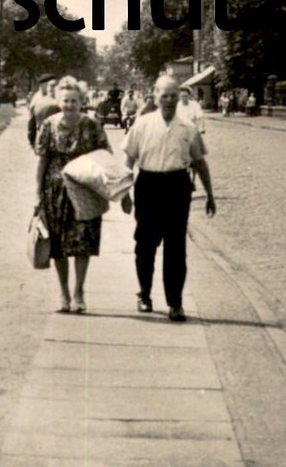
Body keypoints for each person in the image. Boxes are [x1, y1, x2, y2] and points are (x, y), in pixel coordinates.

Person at [123, 75, 216, 323]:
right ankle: (144, 294)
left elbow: (199, 161)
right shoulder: (141, 125)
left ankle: (175, 303)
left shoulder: (188, 128)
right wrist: (123, 192)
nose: (169, 100)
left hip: (177, 186)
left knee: (176, 248)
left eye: (173, 95)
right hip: (148, 185)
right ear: (155, 96)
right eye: (164, 95)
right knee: (145, 244)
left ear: (179, 98)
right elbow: (128, 160)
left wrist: (210, 194)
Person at [35, 77, 111, 314]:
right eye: (65, 101)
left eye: (74, 101)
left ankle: (79, 292)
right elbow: (42, 161)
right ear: (59, 101)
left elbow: (105, 156)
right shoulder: (48, 125)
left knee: (82, 242)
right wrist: (37, 194)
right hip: (55, 192)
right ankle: (64, 293)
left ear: (82, 101)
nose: (69, 105)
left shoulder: (92, 125)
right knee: (57, 245)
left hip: (85, 191)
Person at [27, 76, 59, 151]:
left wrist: (31, 141)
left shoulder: (37, 99)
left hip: (41, 138)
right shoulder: (59, 103)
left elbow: (31, 123)